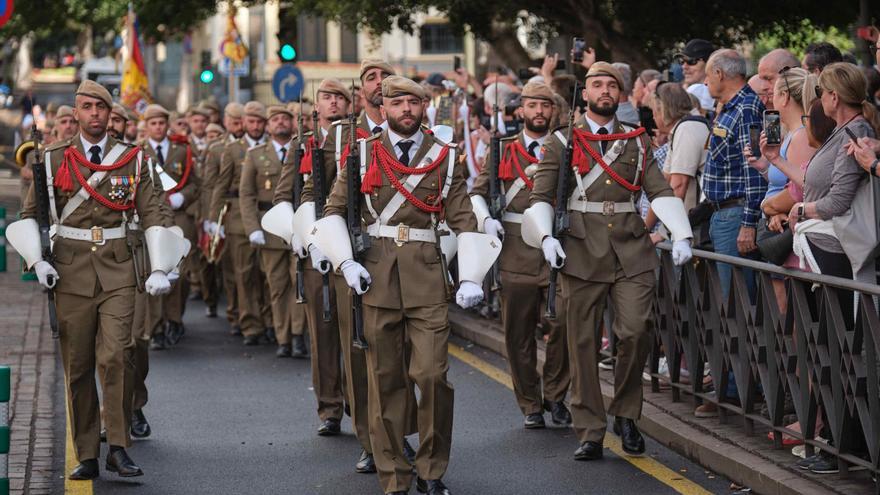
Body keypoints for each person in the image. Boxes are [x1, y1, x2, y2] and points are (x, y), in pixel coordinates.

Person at [312, 75, 500, 495]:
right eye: (398, 103)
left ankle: (432, 471)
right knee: (385, 380)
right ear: (384, 109)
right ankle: (394, 475)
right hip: (376, 278)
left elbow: (463, 219)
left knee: (433, 376)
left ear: (424, 107)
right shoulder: (361, 154)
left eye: (414, 103)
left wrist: (471, 275)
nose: (406, 110)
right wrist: (345, 262)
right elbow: (334, 210)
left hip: (428, 278)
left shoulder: (446, 158)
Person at [9, 80, 181, 480]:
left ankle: (118, 446)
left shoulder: (133, 159)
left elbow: (154, 212)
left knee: (117, 355)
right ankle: (86, 452)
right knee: (79, 363)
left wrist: (161, 265)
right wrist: (37, 262)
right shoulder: (52, 158)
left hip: (119, 267)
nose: (94, 114)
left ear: (110, 113)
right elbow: (31, 216)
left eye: (101, 108)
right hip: (69, 271)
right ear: (77, 112)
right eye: (86, 107)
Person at [522, 62, 693, 462]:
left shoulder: (636, 141)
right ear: (584, 94)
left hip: (631, 249)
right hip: (579, 251)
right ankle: (590, 429)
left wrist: (681, 232)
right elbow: (540, 197)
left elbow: (660, 189)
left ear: (620, 94)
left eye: (611, 85)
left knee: (635, 332)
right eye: (596, 84)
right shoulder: (563, 141)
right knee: (581, 344)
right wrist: (546, 237)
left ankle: (627, 415)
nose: (604, 91)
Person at [789, 62, 880, 474]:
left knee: (841, 348)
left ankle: (847, 446)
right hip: (827, 250)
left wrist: (801, 208)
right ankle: (838, 444)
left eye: (821, 94)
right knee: (829, 347)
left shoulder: (857, 133)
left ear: (831, 98)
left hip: (839, 254)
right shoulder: (849, 133)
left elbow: (839, 199)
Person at [469, 81, 571, 429]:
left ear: (553, 110)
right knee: (518, 332)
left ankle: (556, 394)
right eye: (532, 105)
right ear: (520, 110)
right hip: (514, 246)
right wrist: (485, 220)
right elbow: (478, 191)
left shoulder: (565, 147)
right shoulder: (502, 149)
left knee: (564, 324)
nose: (539, 111)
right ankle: (530, 403)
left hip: (557, 245)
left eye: (545, 105)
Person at [239, 105, 307, 358]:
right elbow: (246, 195)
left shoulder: (303, 150)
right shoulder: (256, 154)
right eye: (275, 119)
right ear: (268, 126)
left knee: (298, 282)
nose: (280, 123)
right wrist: (252, 229)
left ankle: (298, 335)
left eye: (285, 119)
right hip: (269, 226)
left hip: (297, 224)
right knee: (277, 287)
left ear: (292, 124)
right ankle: (283, 338)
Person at [701, 49, 766, 296]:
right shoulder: (731, 108)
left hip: (736, 215)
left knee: (738, 302)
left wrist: (748, 223)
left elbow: (754, 169)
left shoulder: (746, 108)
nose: (705, 82)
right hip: (725, 215)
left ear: (719, 73)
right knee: (731, 301)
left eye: (708, 75)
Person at [210, 101, 271, 345]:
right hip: (237, 218)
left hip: (267, 217)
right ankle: (250, 324)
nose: (255, 126)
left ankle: (271, 321)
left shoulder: (271, 148)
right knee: (244, 274)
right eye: (251, 122)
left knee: (266, 273)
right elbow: (220, 185)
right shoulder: (233, 149)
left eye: (259, 122)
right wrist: (214, 220)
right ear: (243, 123)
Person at [141, 104, 201, 350]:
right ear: (146, 127)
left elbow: (196, 184)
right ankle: (155, 328)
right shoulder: (138, 152)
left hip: (179, 216)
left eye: (161, 123)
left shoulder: (182, 150)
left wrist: (182, 197)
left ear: (167, 125)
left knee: (181, 272)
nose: (157, 127)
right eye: (153, 123)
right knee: (156, 270)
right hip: (151, 218)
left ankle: (174, 319)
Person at [645, 82, 709, 238]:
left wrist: (663, 232)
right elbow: (664, 185)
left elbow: (678, 185)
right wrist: (645, 228)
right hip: (692, 223)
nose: (653, 117)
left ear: (663, 111)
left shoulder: (687, 129)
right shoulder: (682, 128)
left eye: (654, 111)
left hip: (698, 225)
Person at [203, 102, 245, 324]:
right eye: (234, 121)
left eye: (241, 121)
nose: (238, 126)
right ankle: (233, 311)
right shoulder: (217, 148)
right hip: (227, 210)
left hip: (247, 208)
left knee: (248, 268)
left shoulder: (251, 145)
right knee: (229, 266)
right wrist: (211, 218)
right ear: (226, 122)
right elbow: (211, 185)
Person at [676, 39, 716, 113]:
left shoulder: (696, 90)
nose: (684, 66)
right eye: (681, 61)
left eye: (691, 61)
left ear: (709, 63)